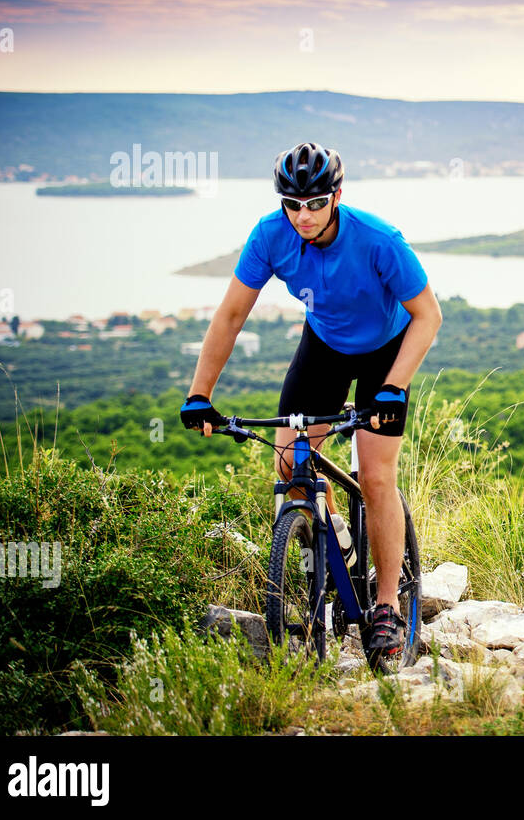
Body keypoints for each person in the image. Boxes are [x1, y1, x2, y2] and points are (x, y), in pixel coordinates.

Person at [178, 141, 442, 667]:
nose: (303, 215)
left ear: (337, 196)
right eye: (292, 204)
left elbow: (428, 316)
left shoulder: (379, 240)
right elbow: (230, 316)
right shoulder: (269, 236)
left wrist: (393, 387)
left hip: (385, 355)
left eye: (315, 203)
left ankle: (387, 605)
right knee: (289, 467)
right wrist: (199, 394)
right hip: (322, 349)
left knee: (376, 477)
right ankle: (327, 530)